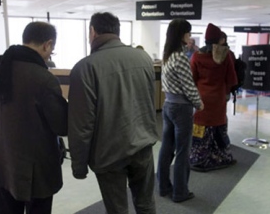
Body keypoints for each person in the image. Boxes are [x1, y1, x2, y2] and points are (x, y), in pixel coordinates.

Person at [68, 12, 159, 214]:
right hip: (142, 145)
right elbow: (148, 103)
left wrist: (79, 165)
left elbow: (82, 124)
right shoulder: (143, 58)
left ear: (92, 31)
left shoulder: (85, 68)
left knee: (117, 210)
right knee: (146, 204)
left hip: (109, 154)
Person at [0, 21, 68, 214]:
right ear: (48, 44)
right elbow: (61, 126)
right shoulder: (43, 78)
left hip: (0, 163)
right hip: (35, 171)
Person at [157, 18, 203, 203]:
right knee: (183, 151)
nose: (190, 37)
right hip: (181, 108)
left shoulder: (167, 56)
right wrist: (199, 103)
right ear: (182, 35)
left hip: (168, 105)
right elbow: (189, 87)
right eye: (188, 33)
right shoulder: (180, 59)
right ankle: (180, 192)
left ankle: (163, 187)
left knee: (166, 148)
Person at [189, 23, 237, 172]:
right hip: (218, 99)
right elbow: (231, 79)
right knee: (218, 128)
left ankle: (198, 159)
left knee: (201, 129)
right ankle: (221, 157)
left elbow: (192, 78)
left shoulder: (197, 56)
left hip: (201, 99)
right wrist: (226, 91)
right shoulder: (226, 55)